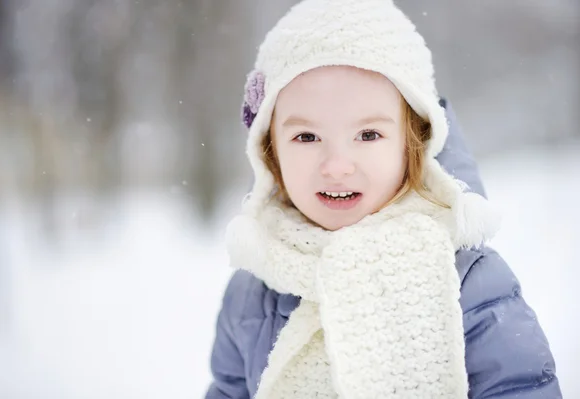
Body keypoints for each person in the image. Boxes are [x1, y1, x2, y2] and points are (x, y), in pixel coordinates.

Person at [206, 0, 561, 397]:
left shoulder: (465, 278)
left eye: (368, 135)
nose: (337, 165)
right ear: (270, 151)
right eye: (306, 137)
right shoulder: (254, 288)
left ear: (412, 143)